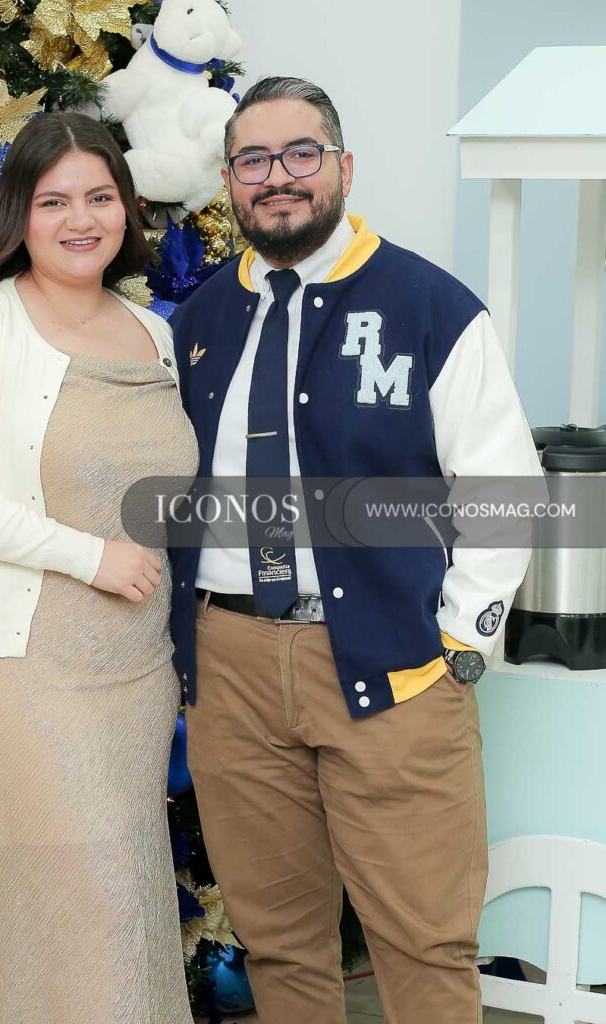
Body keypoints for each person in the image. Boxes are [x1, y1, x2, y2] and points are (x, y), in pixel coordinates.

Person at [168, 77, 543, 1024]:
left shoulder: (430, 308)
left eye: (300, 154)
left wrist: (462, 640)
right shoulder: (199, 322)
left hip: (389, 661)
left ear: (341, 166)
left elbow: (503, 488)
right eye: (253, 161)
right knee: (280, 943)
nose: (278, 178)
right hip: (234, 669)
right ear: (228, 181)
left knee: (421, 939)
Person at [0, 111, 197, 1024]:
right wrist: (87, 556)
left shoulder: (155, 334)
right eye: (53, 199)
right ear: (18, 214)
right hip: (17, 668)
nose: (80, 219)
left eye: (99, 197)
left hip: (134, 670)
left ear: (126, 209)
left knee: (130, 905)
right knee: (75, 908)